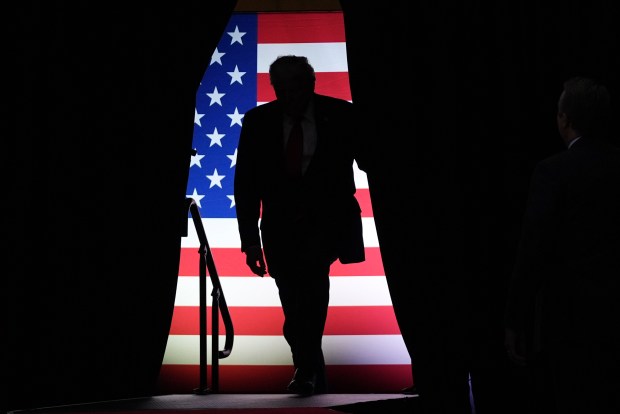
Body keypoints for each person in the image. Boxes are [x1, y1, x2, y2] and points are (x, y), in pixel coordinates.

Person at [234, 55, 366, 396]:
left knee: (312, 287)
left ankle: (306, 369)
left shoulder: (341, 116)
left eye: (296, 87)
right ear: (274, 88)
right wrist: (249, 241)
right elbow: (245, 184)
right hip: (278, 228)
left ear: (311, 85)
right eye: (282, 88)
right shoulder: (258, 121)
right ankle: (310, 367)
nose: (289, 95)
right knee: (293, 299)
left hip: (324, 225)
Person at [504, 76, 620, 413]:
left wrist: (514, 317)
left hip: (570, 318)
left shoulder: (552, 172)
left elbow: (532, 249)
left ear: (564, 119)